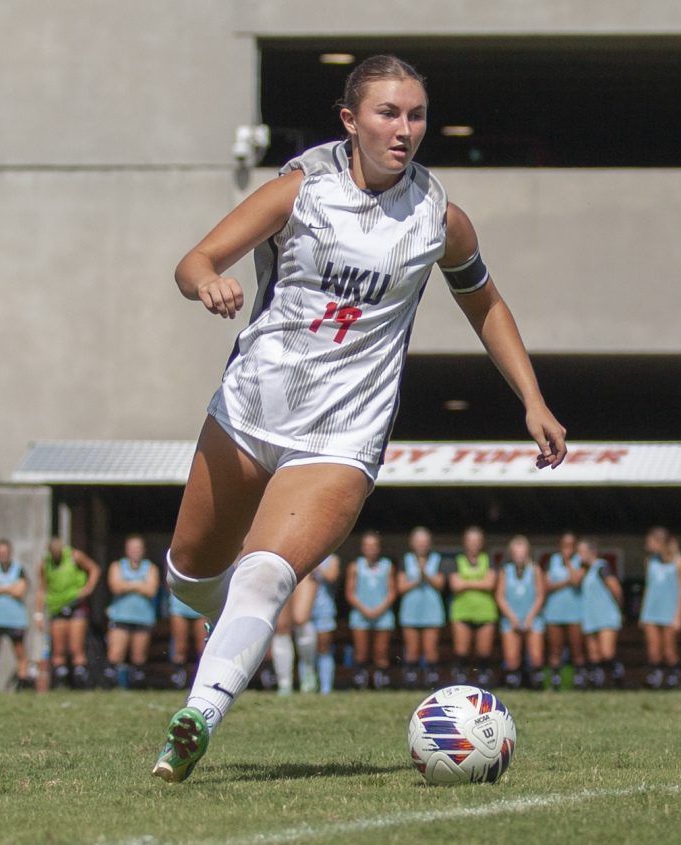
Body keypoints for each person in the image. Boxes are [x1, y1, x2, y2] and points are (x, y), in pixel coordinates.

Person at [150, 53, 566, 782]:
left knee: (267, 575)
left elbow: (485, 302)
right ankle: (229, 639)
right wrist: (209, 281)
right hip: (251, 408)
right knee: (189, 577)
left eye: (416, 116)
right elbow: (195, 259)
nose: (404, 129)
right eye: (387, 113)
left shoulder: (439, 217)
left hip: (345, 434)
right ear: (350, 120)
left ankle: (199, 714)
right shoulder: (297, 191)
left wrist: (531, 397)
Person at [38, 537, 100, 689]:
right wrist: (38, 613)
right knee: (58, 650)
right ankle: (61, 684)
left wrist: (88, 589)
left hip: (76, 606)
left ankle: (81, 683)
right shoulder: (45, 564)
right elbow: (42, 588)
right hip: (57, 607)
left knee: (76, 648)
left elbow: (94, 569)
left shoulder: (74, 556)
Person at [103, 535, 159, 689]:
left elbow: (151, 590)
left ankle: (136, 687)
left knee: (139, 656)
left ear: (143, 550)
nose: (135, 551)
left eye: (138, 548)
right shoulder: (117, 566)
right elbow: (115, 586)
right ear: (126, 550)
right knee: (115, 653)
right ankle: (113, 687)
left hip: (143, 617)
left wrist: (127, 584)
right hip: (121, 616)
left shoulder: (151, 568)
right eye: (132, 548)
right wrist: (139, 584)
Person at [639, 527, 681, 690]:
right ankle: (655, 678)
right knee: (653, 651)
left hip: (670, 611)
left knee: (669, 650)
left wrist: (679, 615)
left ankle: (673, 677)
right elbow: (649, 587)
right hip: (652, 610)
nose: (648, 545)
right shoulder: (650, 561)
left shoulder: (679, 562)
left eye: (651, 542)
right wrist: (643, 613)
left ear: (661, 543)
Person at [346, 531, 397, 690]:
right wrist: (364, 609)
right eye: (367, 546)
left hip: (382, 615)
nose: (371, 549)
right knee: (361, 651)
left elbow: (392, 591)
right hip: (360, 614)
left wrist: (379, 609)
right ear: (362, 548)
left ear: (379, 548)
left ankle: (381, 683)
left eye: (374, 546)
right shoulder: (355, 566)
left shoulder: (387, 565)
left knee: (381, 651)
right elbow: (350, 592)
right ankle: (360, 683)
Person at [449, 525, 499, 687]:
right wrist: (480, 581)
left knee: (484, 653)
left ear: (482, 542)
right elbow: (455, 585)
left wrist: (466, 582)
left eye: (477, 541)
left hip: (485, 612)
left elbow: (490, 584)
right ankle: (461, 684)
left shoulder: (488, 559)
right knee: (461, 652)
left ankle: (482, 685)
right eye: (470, 541)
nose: (474, 544)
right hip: (462, 612)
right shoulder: (457, 560)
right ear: (465, 542)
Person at [397, 527, 445, 690]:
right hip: (411, 611)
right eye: (418, 542)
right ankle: (411, 682)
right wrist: (418, 579)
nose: (421, 545)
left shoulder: (438, 559)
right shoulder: (405, 560)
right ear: (412, 543)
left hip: (432, 611)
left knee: (431, 649)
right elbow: (401, 586)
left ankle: (431, 683)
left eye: (424, 542)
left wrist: (426, 574)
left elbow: (440, 584)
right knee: (412, 649)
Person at [496, 535, 546, 690]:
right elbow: (500, 596)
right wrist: (512, 618)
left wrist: (530, 617)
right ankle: (513, 685)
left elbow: (540, 595)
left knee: (536, 657)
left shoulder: (535, 570)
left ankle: (535, 684)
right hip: (511, 619)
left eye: (523, 553)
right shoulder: (505, 571)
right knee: (512, 658)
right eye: (516, 553)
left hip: (532, 618)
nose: (520, 556)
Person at [0, 538, 29, 691]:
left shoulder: (19, 569)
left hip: (15, 619)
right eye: (0, 552)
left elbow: (20, 590)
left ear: (10, 553)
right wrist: (9, 588)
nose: (2, 555)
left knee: (20, 653)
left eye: (5, 552)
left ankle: (22, 686)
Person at [578, 538, 624, 689]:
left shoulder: (602, 567)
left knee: (607, 653)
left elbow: (616, 589)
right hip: (591, 616)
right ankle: (598, 685)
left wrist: (618, 609)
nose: (579, 555)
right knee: (594, 655)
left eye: (582, 552)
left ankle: (618, 677)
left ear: (592, 552)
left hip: (606, 616)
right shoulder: (585, 571)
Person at [543, 531, 586, 690]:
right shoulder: (551, 561)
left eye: (570, 545)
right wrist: (565, 582)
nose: (567, 549)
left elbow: (576, 581)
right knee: (555, 649)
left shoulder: (580, 561)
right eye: (564, 545)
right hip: (554, 612)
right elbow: (546, 586)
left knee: (577, 649)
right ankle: (555, 681)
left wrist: (568, 564)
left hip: (575, 612)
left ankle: (579, 681)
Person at [298, 553, 340, 694]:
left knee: (324, 648)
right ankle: (307, 685)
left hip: (324, 609)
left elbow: (332, 577)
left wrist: (316, 566)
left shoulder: (332, 559)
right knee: (305, 650)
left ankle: (325, 688)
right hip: (303, 610)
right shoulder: (302, 556)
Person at [167, 587, 208, 692]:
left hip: (202, 603)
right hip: (179, 603)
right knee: (180, 646)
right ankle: (178, 679)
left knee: (202, 647)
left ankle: (203, 681)